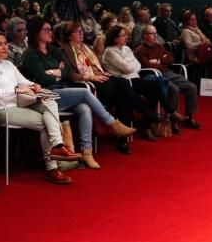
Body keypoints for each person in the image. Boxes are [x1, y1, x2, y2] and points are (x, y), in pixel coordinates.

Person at [20, 18, 136, 159]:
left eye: (50, 29)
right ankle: (111, 123)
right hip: (46, 96)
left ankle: (86, 151)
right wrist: (57, 72)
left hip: (63, 89)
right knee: (84, 92)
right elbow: (42, 79)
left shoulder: (55, 51)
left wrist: (54, 72)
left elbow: (68, 71)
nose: (50, 32)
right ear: (36, 33)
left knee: (84, 108)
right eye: (46, 30)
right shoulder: (30, 54)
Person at [0, 31, 79, 183]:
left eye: (5, 43)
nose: (5, 47)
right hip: (1, 109)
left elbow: (23, 81)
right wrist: (16, 90)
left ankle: (58, 145)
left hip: (20, 102)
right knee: (47, 122)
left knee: (50, 101)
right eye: (0, 44)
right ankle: (52, 167)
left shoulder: (9, 64)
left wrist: (33, 85)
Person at [101, 25, 171, 140]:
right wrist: (129, 65)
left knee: (155, 86)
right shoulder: (110, 51)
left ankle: (149, 122)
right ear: (115, 38)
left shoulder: (127, 49)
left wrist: (129, 65)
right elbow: (128, 68)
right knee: (124, 100)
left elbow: (138, 66)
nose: (126, 37)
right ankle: (147, 117)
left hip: (135, 79)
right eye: (122, 35)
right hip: (122, 82)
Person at [135, 25, 201, 129]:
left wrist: (158, 60)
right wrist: (162, 61)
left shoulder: (159, 46)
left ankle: (189, 118)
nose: (155, 35)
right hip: (154, 75)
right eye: (152, 33)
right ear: (144, 36)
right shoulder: (140, 50)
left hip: (168, 72)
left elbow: (171, 59)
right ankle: (173, 121)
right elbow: (147, 65)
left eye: (155, 33)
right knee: (174, 89)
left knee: (192, 87)